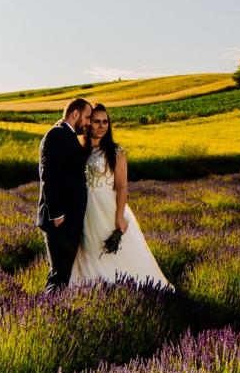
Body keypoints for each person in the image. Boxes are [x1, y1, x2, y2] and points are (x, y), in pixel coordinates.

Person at [69, 103, 172, 289]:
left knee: (114, 252)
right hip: (85, 209)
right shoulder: (80, 150)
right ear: (88, 124)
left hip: (108, 208)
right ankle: (93, 289)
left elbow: (123, 187)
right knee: (89, 250)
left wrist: (119, 217)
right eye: (96, 121)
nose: (101, 126)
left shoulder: (116, 151)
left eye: (105, 122)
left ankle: (126, 288)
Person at [36, 98, 91, 294]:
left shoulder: (66, 135)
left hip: (67, 219)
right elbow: (48, 176)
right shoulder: (57, 135)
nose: (89, 123)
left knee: (63, 273)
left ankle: (49, 311)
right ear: (75, 115)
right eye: (87, 117)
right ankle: (46, 314)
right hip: (60, 221)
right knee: (59, 275)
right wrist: (57, 214)